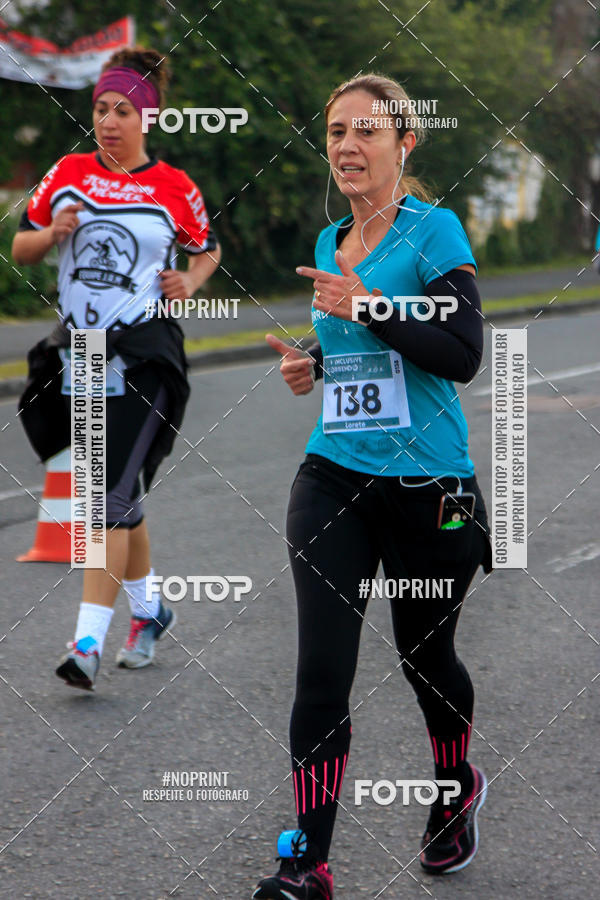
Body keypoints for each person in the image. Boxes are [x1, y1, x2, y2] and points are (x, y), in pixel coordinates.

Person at [254, 73, 493, 899]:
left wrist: (367, 311)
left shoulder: (435, 231)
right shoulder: (329, 244)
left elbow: (462, 351)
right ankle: (307, 864)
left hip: (432, 487)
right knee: (322, 670)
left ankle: (455, 787)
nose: (348, 148)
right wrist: (315, 360)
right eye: (335, 134)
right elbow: (358, 341)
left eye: (366, 132)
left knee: (427, 660)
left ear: (404, 143)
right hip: (335, 476)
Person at [13, 46, 221, 690]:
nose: (108, 121)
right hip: (82, 353)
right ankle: (152, 609)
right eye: (101, 108)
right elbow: (20, 245)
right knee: (120, 499)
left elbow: (208, 248)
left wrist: (190, 278)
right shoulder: (68, 173)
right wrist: (53, 234)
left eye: (123, 110)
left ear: (147, 118)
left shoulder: (174, 188)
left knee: (103, 499)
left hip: (146, 355)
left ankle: (85, 645)